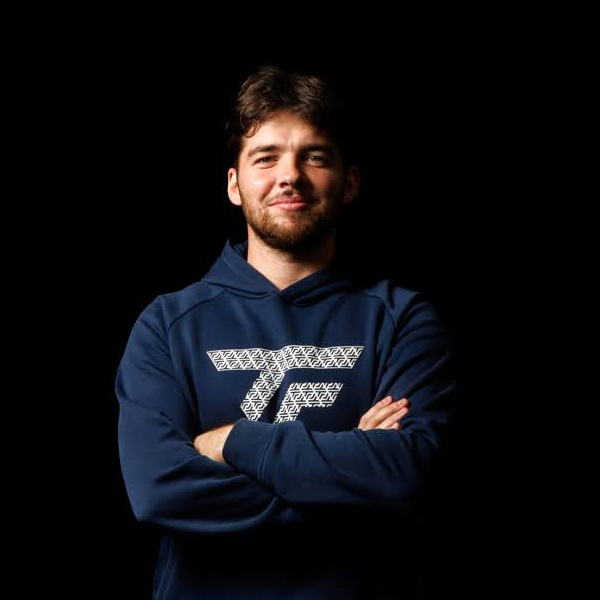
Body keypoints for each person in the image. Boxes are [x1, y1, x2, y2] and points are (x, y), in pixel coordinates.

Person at [116, 65, 458, 599]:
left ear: (350, 182)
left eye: (314, 156)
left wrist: (232, 441)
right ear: (235, 184)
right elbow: (160, 492)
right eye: (266, 157)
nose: (290, 176)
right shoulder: (166, 325)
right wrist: (352, 479)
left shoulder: (403, 321)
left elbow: (406, 480)